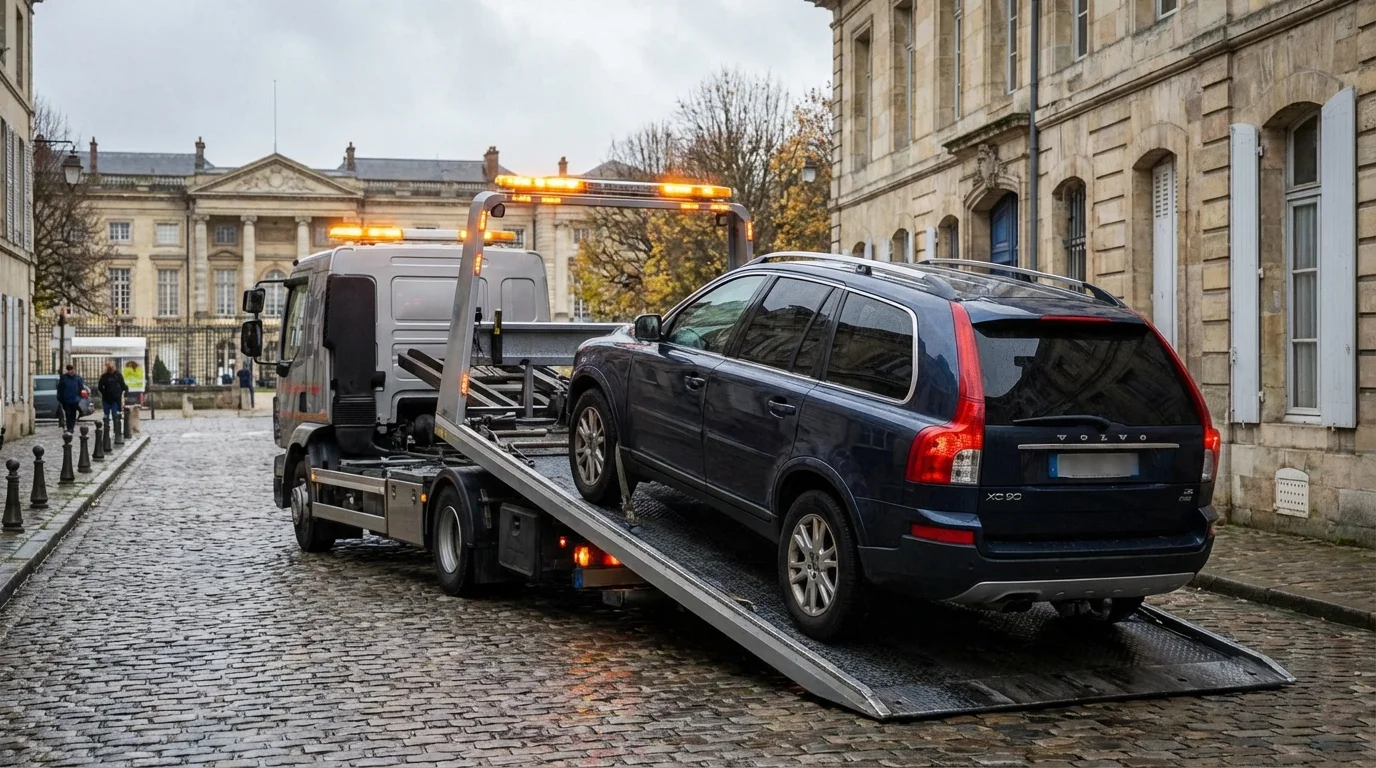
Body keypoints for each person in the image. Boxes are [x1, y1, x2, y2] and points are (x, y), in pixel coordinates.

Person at [56, 364, 86, 433]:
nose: (70, 371)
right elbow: (60, 388)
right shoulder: (64, 378)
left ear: (73, 370)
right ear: (67, 370)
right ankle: (69, 427)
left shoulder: (78, 378)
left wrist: (80, 397)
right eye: (69, 370)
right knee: (68, 413)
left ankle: (71, 427)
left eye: (71, 370)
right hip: (66, 400)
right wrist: (60, 398)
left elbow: (81, 388)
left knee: (73, 414)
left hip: (75, 400)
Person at [97, 361, 128, 426]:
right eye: (109, 367)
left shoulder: (118, 375)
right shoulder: (104, 376)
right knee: (106, 417)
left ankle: (116, 431)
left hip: (115, 400)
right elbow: (100, 387)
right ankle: (106, 432)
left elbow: (124, 386)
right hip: (106, 400)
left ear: (114, 367)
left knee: (115, 416)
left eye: (112, 367)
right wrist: (104, 393)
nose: (111, 369)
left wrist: (121, 394)